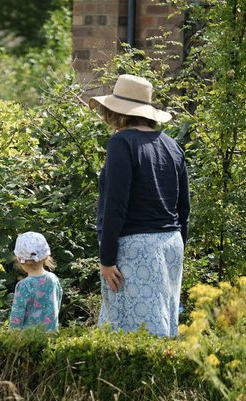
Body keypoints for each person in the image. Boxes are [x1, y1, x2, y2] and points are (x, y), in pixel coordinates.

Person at [88, 74, 190, 337]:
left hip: (136, 248)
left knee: (132, 333)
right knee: (163, 327)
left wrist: (107, 258)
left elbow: (115, 205)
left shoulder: (122, 143)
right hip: (171, 244)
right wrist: (178, 250)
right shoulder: (172, 146)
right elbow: (184, 209)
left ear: (116, 111)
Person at [9, 232, 62, 331]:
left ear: (20, 260)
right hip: (51, 336)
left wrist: (12, 337)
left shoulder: (23, 285)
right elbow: (57, 302)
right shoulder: (53, 279)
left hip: (28, 339)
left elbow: (17, 316)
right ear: (46, 257)